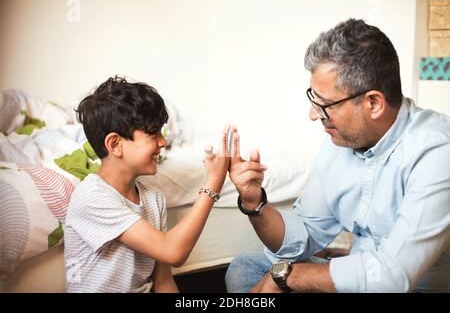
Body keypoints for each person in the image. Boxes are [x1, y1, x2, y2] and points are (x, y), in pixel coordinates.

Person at [225, 19, 450, 293]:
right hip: (361, 276)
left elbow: (393, 275)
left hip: (408, 285)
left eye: (324, 104)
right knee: (245, 268)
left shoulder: (437, 150)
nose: (312, 115)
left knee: (276, 277)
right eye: (313, 99)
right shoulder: (339, 142)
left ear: (373, 103)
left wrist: (289, 277)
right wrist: (254, 203)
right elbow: (305, 235)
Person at [64, 76, 230, 292]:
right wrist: (213, 184)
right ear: (115, 144)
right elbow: (173, 252)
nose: (163, 142)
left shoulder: (152, 197)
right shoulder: (92, 197)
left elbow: (163, 281)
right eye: (153, 133)